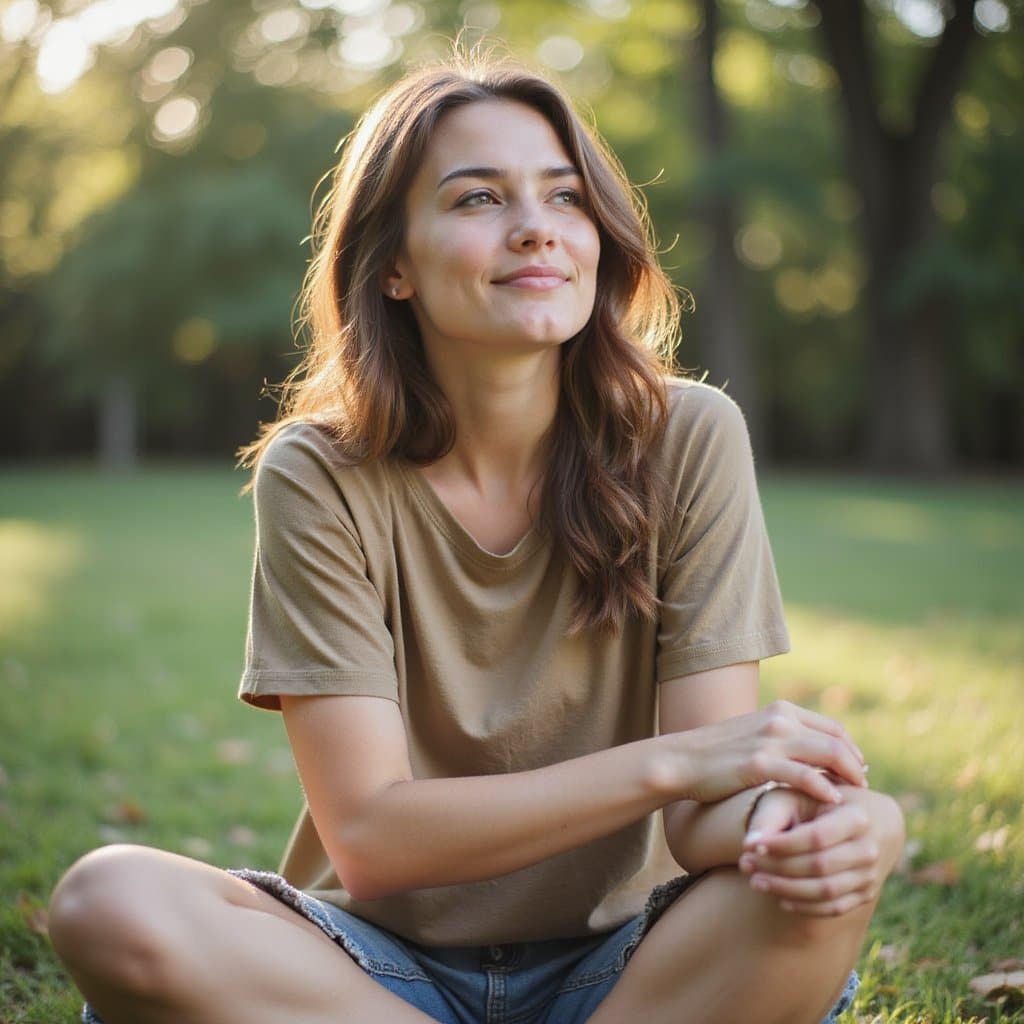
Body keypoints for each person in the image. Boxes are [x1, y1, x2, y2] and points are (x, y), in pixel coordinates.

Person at [48, 52, 905, 1024]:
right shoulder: (317, 471)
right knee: (108, 899)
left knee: (831, 860)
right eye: (477, 198)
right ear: (394, 266)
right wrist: (679, 762)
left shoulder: (690, 437)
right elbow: (370, 836)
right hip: (372, 970)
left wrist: (800, 824)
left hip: (630, 965)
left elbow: (705, 816)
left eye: (565, 197)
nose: (535, 225)